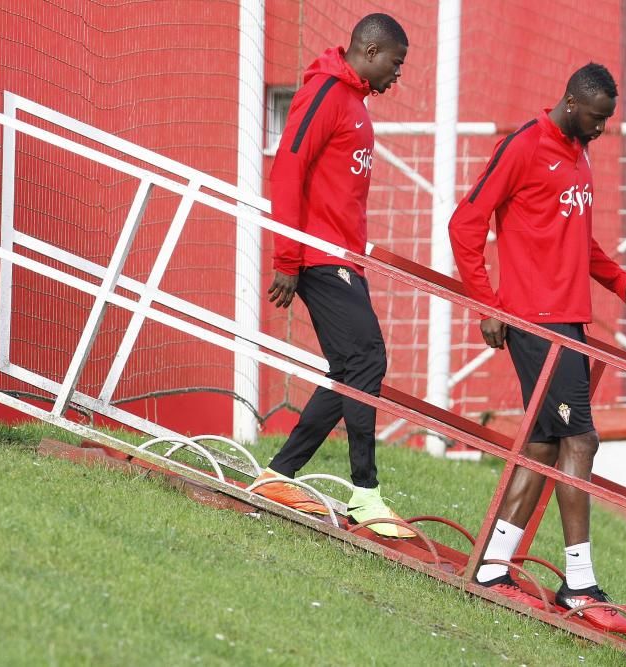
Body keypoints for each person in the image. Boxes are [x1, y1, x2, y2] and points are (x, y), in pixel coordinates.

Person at [448, 63, 626, 631]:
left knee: (542, 446)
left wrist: (618, 281)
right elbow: (465, 224)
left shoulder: (579, 151)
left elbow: (576, 238)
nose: (602, 130)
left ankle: (493, 566)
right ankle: (580, 585)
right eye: (597, 119)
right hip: (536, 322)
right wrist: (488, 305)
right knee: (581, 440)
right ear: (570, 102)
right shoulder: (523, 145)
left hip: (570, 321)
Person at [254, 13, 413, 539]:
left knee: (350, 369)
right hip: (319, 257)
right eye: (396, 63)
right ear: (370, 50)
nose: (397, 76)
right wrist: (288, 260)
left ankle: (279, 475)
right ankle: (364, 493)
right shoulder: (325, 91)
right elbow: (287, 169)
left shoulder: (355, 101)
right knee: (367, 359)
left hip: (344, 258)